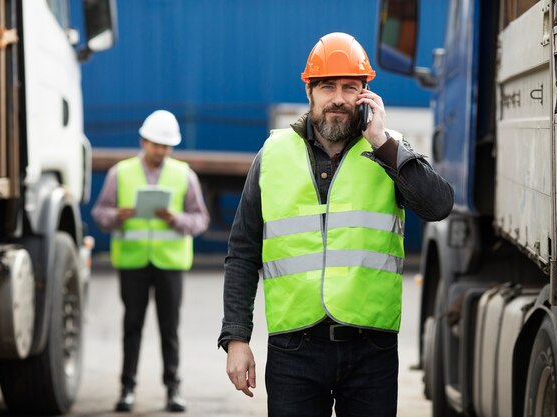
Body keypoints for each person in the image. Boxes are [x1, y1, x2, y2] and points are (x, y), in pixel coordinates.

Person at [218, 32, 454, 417]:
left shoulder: (389, 150)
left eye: (350, 87)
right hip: (294, 349)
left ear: (366, 94)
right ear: (309, 91)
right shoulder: (273, 155)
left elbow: (439, 205)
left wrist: (382, 143)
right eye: (328, 86)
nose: (339, 98)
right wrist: (236, 339)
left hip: (371, 351)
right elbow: (243, 253)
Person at [92, 110, 209, 413]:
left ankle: (173, 390)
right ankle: (127, 389)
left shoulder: (184, 175)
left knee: (169, 328)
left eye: (166, 146)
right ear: (143, 140)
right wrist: (116, 216)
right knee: (132, 325)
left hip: (169, 264)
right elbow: (100, 213)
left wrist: (177, 219)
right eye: (156, 144)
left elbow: (200, 219)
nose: (161, 150)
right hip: (133, 262)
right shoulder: (121, 173)